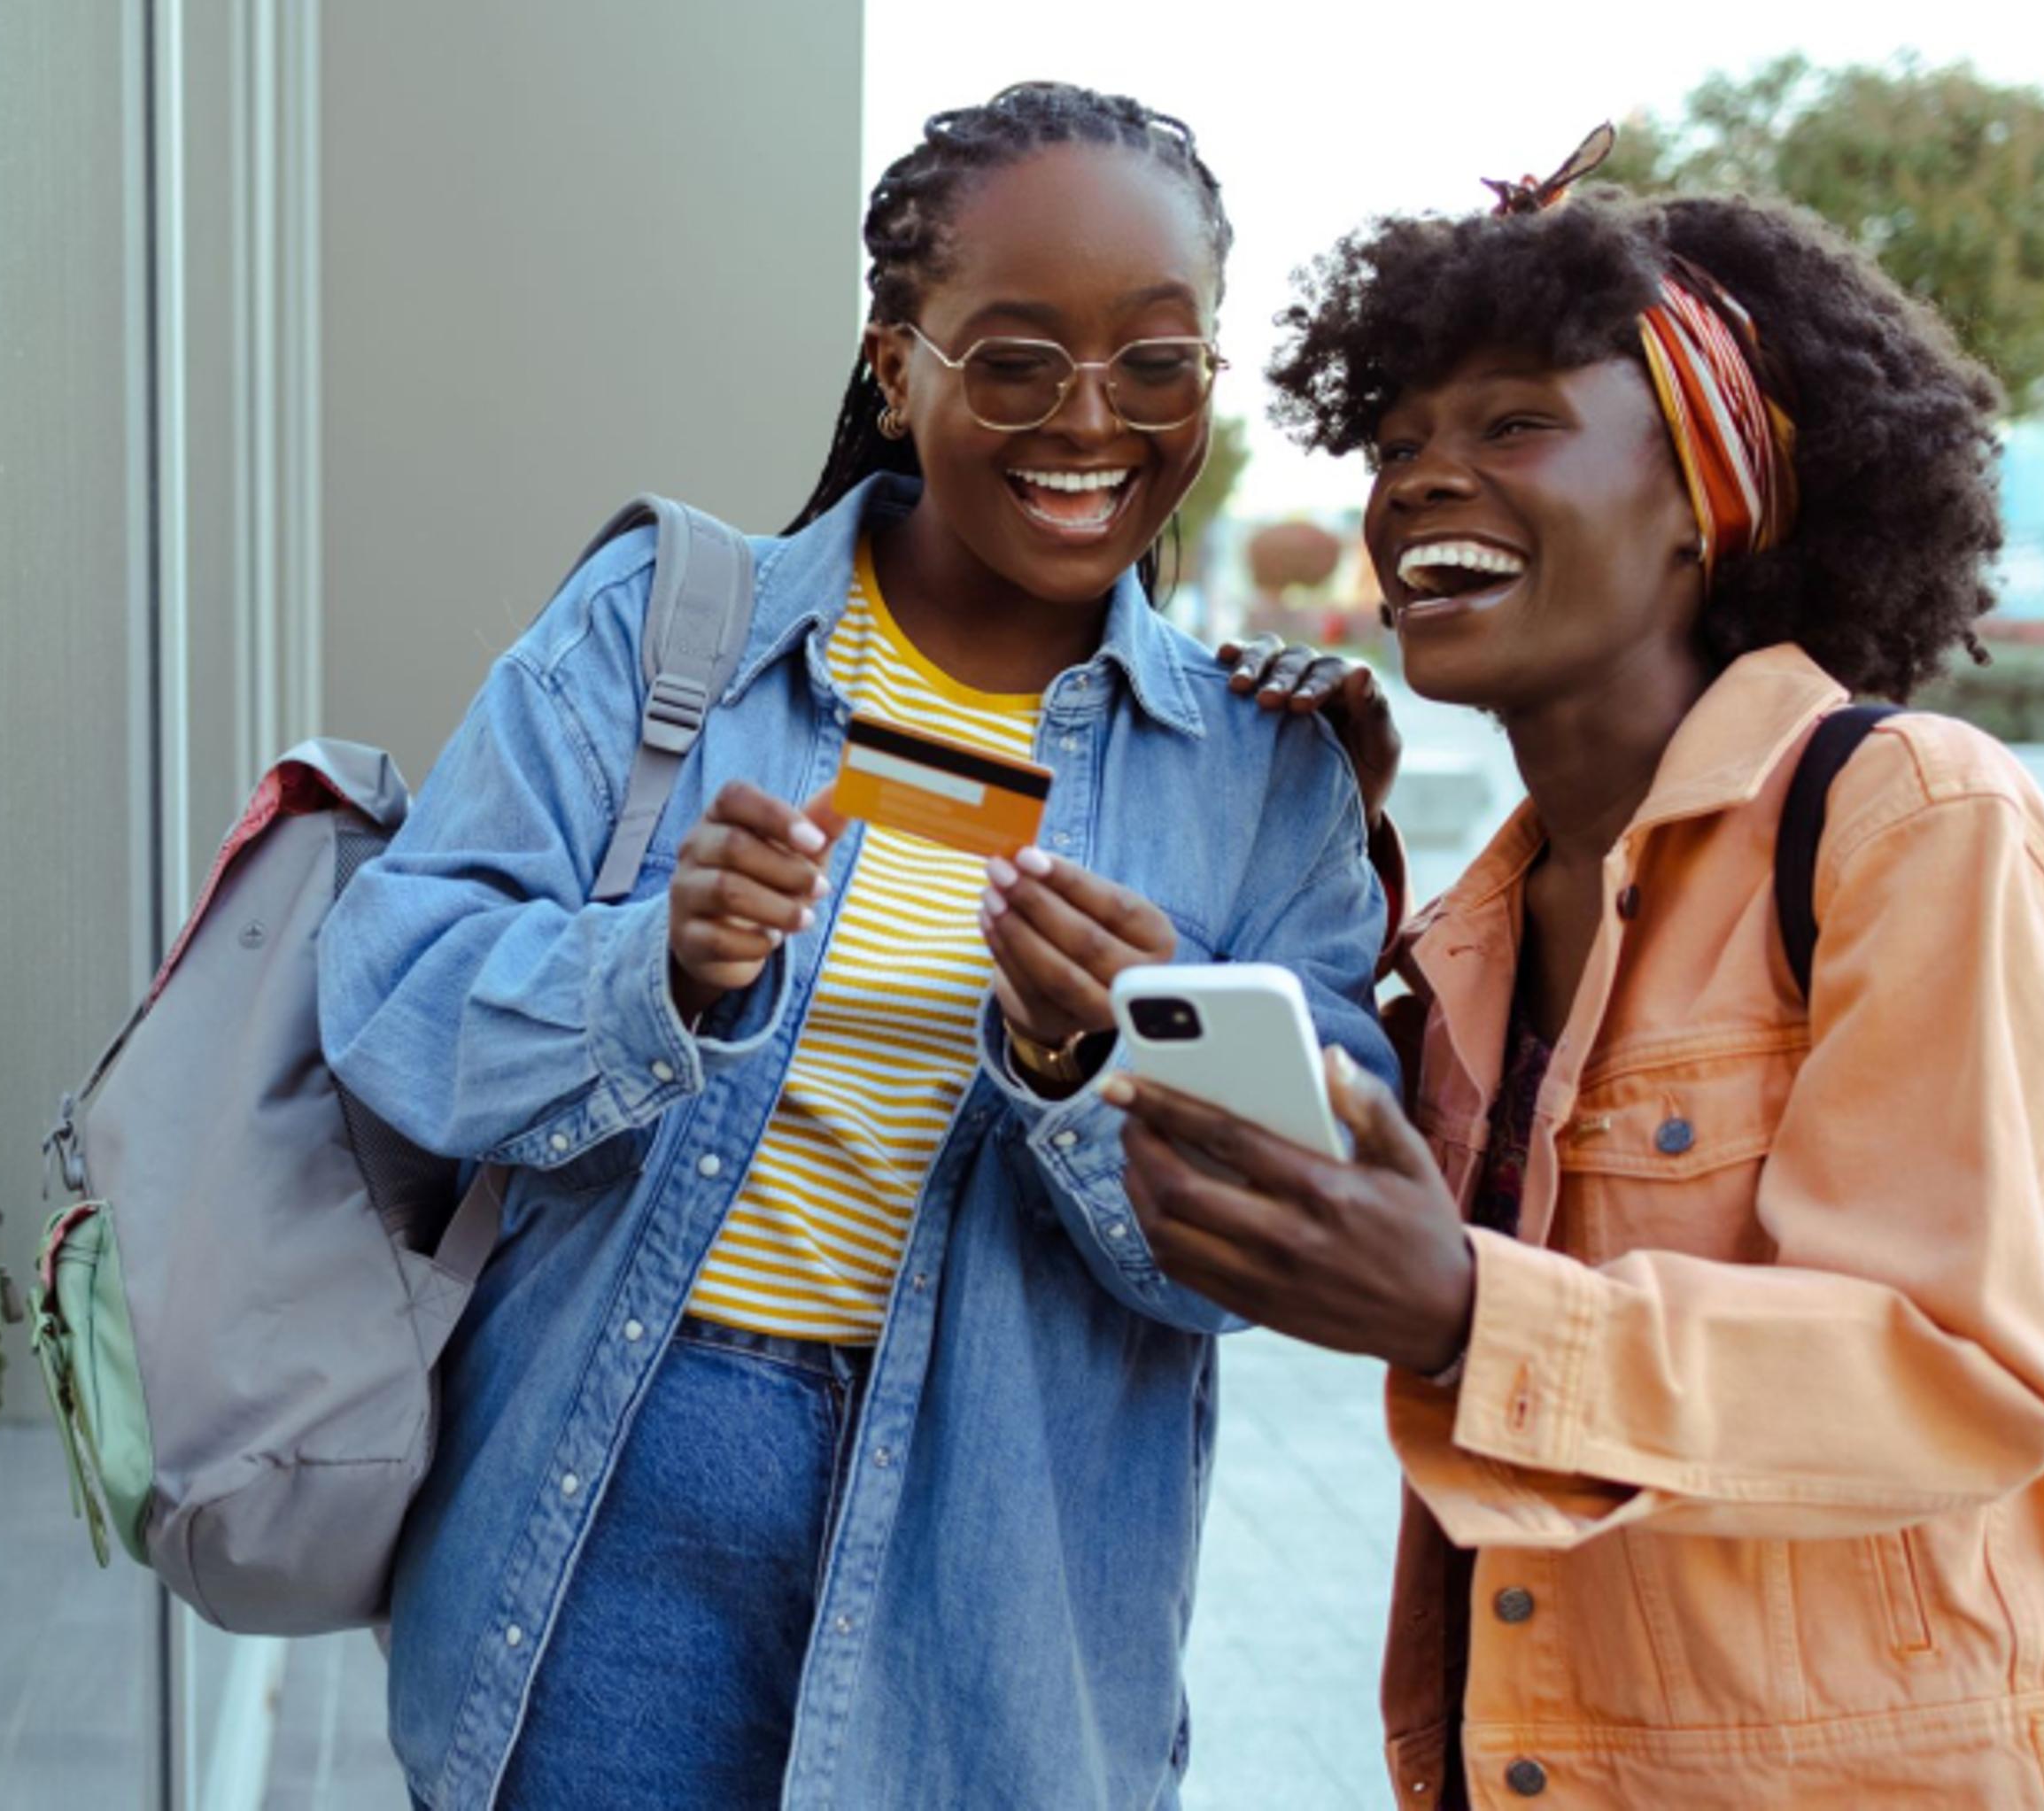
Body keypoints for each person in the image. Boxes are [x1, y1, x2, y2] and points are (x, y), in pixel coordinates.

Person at [319, 82, 1399, 1808]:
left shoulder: (1265, 773)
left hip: (1006, 1591)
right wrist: (651, 973)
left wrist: (1098, 1061)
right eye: (1019, 359)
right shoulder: (670, 631)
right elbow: (391, 994)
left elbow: (1294, 1234)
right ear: (897, 365)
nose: (1091, 421)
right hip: (619, 1527)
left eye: (1157, 362)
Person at [1106, 132, 2044, 1807]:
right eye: (1403, 438)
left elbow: (1948, 1367)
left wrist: (1462, 1307)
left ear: (1712, 492)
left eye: (1514, 425)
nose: (1420, 476)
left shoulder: (1911, 823)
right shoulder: (1480, 924)